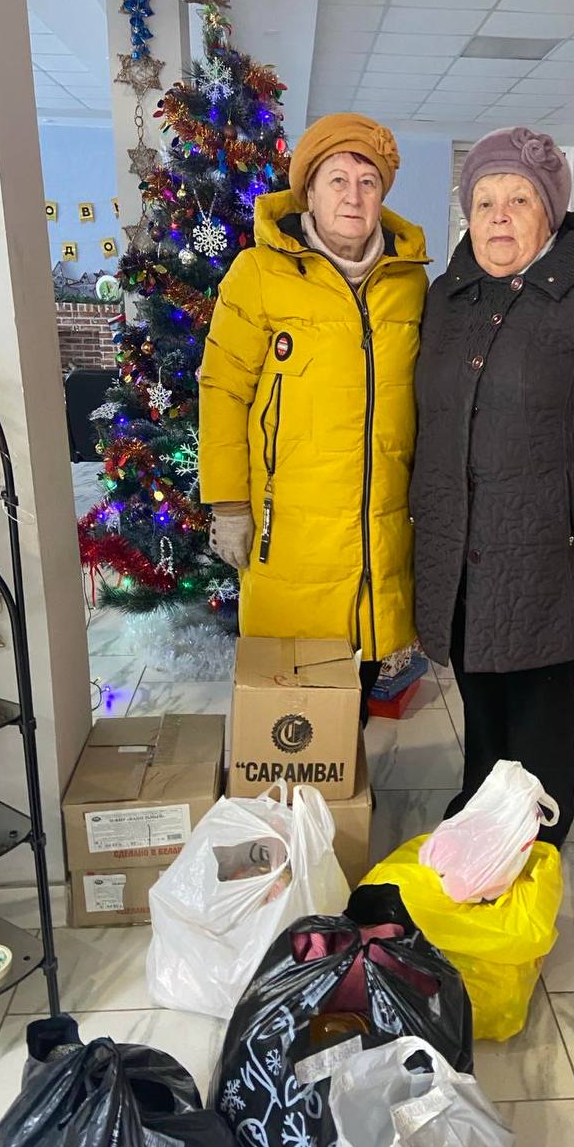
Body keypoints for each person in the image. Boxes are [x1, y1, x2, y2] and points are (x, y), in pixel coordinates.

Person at [411, 127, 574, 845]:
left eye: (519, 200)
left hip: (549, 541)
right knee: (478, 680)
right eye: (484, 201)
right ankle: (481, 802)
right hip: (459, 537)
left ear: (548, 211)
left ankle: (538, 829)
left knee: (539, 692)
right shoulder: (448, 296)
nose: (499, 216)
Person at [199, 114, 429, 718]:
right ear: (309, 191)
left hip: (379, 527)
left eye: (368, 182)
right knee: (295, 705)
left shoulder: (410, 283)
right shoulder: (258, 273)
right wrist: (228, 505)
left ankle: (346, 766)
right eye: (338, 180)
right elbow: (222, 391)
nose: (354, 196)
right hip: (290, 530)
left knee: (363, 685)